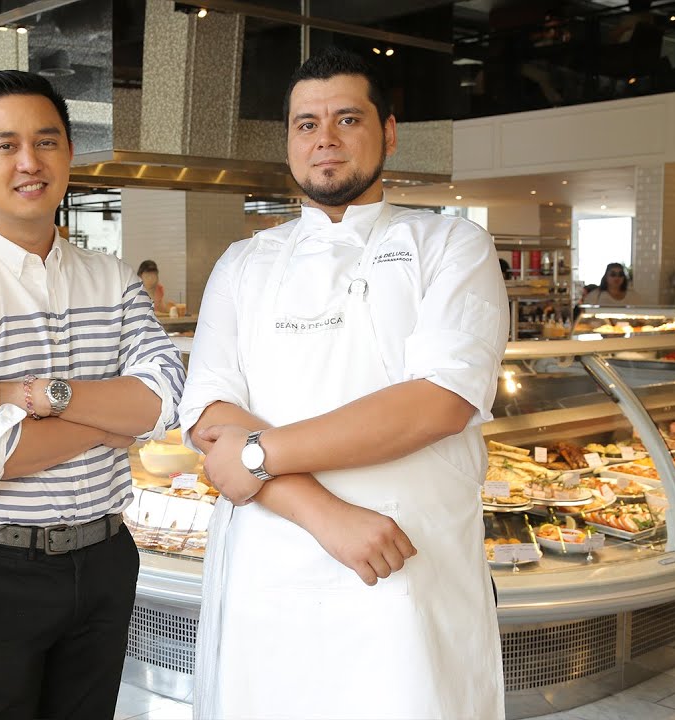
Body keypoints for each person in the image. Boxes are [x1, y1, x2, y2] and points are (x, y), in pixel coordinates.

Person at [179, 48, 508, 719]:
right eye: (306, 124)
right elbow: (211, 416)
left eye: (347, 119)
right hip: (270, 575)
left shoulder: (451, 246)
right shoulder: (242, 263)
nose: (324, 138)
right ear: (289, 141)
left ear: (388, 132)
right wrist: (328, 517)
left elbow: (438, 404)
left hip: (406, 567)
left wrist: (256, 455)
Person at [0, 69, 185, 719]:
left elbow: (166, 398)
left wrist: (43, 397)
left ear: (68, 154)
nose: (29, 161)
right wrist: (113, 422)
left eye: (46, 141)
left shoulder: (113, 279)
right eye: (5, 145)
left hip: (106, 557)